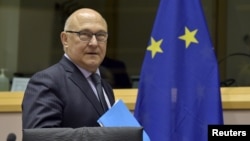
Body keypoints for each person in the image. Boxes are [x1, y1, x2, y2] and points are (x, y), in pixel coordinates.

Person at [22, 8, 115, 128]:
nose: (94, 43)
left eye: (101, 35)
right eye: (85, 35)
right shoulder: (46, 82)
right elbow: (41, 137)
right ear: (65, 39)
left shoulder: (105, 86)